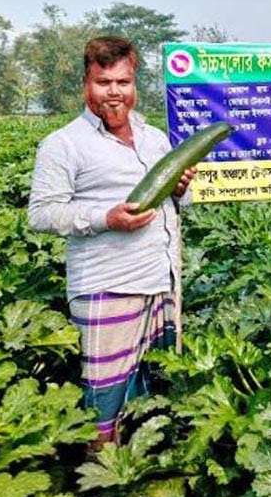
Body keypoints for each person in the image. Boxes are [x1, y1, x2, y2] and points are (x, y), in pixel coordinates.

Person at [28, 36, 195, 445]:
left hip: (162, 284)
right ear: (86, 83)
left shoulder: (155, 138)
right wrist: (106, 218)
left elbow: (179, 202)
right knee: (105, 404)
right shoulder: (63, 144)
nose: (115, 92)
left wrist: (179, 190)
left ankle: (143, 484)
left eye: (123, 81)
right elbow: (41, 214)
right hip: (109, 288)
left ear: (135, 83)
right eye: (104, 82)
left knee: (153, 398)